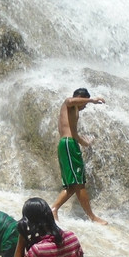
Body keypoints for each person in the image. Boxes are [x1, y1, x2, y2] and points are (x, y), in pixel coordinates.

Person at [51, 87, 108, 224]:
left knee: (73, 186)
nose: (85, 106)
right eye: (85, 103)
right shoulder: (69, 104)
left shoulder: (73, 112)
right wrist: (92, 100)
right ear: (81, 99)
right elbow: (70, 100)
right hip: (68, 145)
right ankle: (92, 217)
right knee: (79, 184)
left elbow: (74, 134)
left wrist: (85, 143)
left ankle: (53, 209)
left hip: (71, 144)